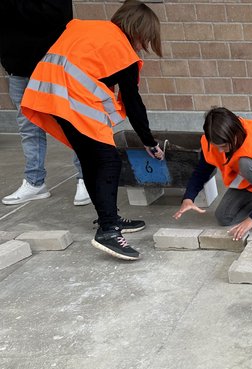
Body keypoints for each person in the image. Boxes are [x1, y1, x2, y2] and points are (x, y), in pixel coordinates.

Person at [20, 0, 164, 261]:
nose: (142, 46)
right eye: (145, 39)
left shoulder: (91, 29)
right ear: (138, 31)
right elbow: (132, 101)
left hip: (49, 93)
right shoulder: (121, 50)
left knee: (90, 159)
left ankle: (109, 218)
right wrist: (149, 141)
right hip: (73, 99)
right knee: (108, 160)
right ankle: (108, 230)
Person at [0, 0, 89, 207]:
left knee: (71, 122)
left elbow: (57, 14)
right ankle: (35, 182)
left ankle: (85, 178)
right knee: (28, 127)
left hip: (52, 63)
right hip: (17, 66)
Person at [173, 107, 252, 241]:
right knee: (224, 217)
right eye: (216, 146)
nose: (220, 151)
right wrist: (188, 198)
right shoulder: (212, 141)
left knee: (246, 164)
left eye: (224, 146)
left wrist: (251, 220)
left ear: (235, 135)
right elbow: (201, 172)